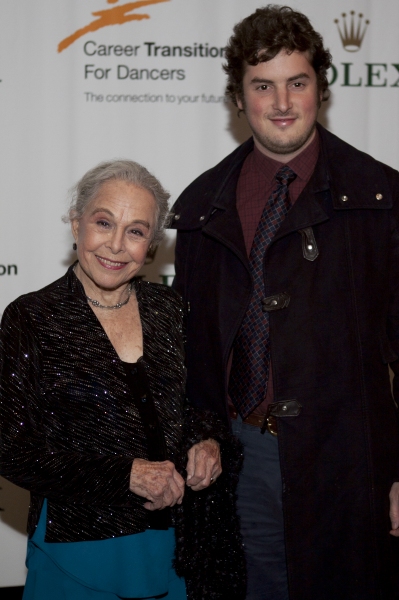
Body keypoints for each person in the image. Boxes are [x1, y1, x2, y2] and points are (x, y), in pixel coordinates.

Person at [171, 5, 399, 600]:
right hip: (239, 465)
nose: (281, 102)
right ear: (237, 97)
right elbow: (189, 360)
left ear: (320, 88)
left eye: (297, 82)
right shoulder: (200, 207)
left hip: (352, 463)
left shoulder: (383, 199)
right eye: (262, 85)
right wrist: (199, 437)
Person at [0, 160, 243, 600]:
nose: (115, 245)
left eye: (135, 231)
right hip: (79, 543)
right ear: (76, 225)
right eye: (103, 222)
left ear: (151, 244)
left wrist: (207, 442)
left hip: (169, 544)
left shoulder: (168, 309)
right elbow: (12, 451)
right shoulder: (32, 317)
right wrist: (124, 474)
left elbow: (194, 409)